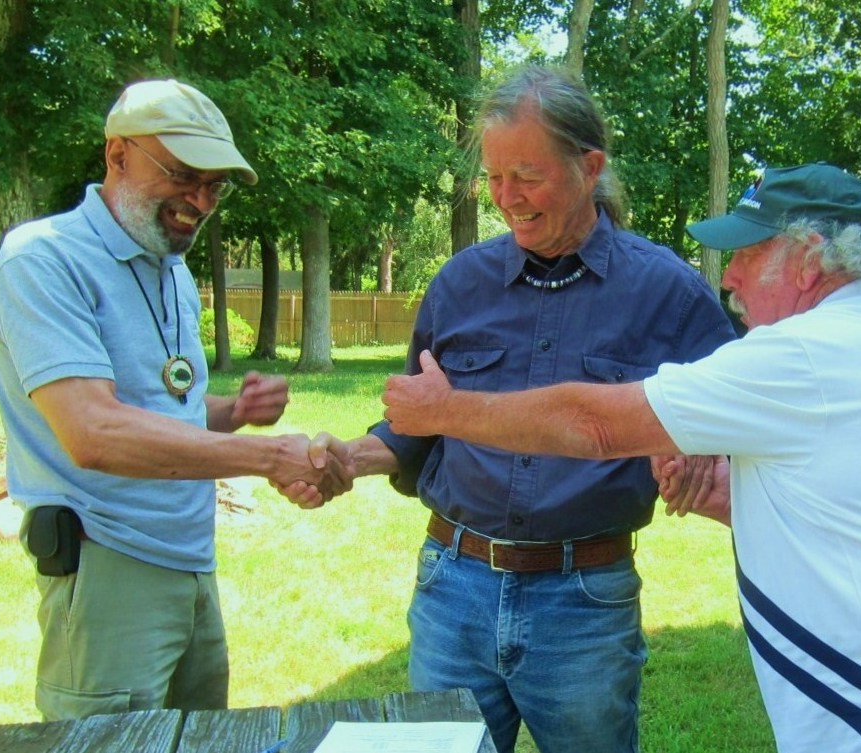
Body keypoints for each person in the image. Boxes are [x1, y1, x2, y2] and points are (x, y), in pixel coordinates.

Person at [380, 162, 861, 753]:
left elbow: (596, 426)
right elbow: (857, 510)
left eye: (748, 253)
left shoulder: (811, 353)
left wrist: (444, 411)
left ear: (809, 259)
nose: (730, 276)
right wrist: (738, 500)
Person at [284, 66, 736, 753]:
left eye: (526, 175)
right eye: (493, 177)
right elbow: (419, 428)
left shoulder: (669, 294)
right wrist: (353, 457)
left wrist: (699, 446)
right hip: (452, 589)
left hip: (584, 600)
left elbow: (736, 423)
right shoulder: (460, 285)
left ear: (590, 168)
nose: (507, 197)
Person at [0, 79, 351, 721]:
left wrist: (233, 412)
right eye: (182, 175)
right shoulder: (42, 259)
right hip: (107, 568)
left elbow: (161, 407)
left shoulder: (171, 269)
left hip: (191, 563)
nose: (200, 202)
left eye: (215, 186)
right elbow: (93, 432)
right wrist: (268, 458)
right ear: (118, 154)